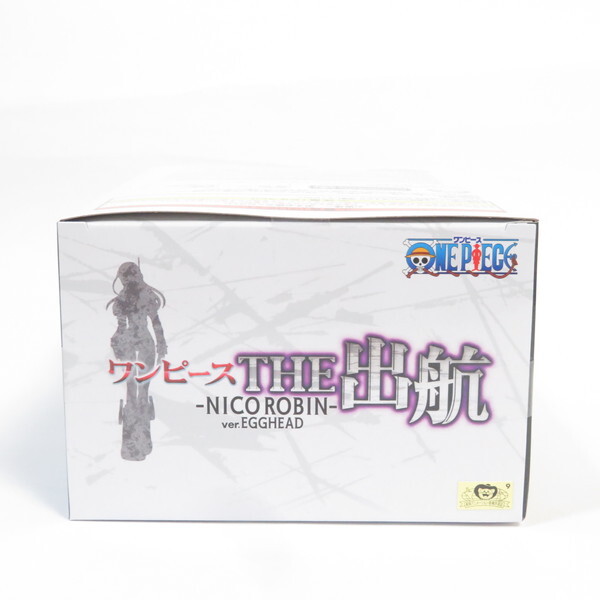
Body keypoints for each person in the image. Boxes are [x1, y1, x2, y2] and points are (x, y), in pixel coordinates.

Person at [107, 262, 167, 460]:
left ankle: (134, 444)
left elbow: (122, 328)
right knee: (138, 391)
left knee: (133, 391)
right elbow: (155, 324)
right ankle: (138, 443)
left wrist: (117, 343)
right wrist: (161, 345)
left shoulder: (123, 299)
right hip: (142, 344)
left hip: (132, 346)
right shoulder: (145, 296)